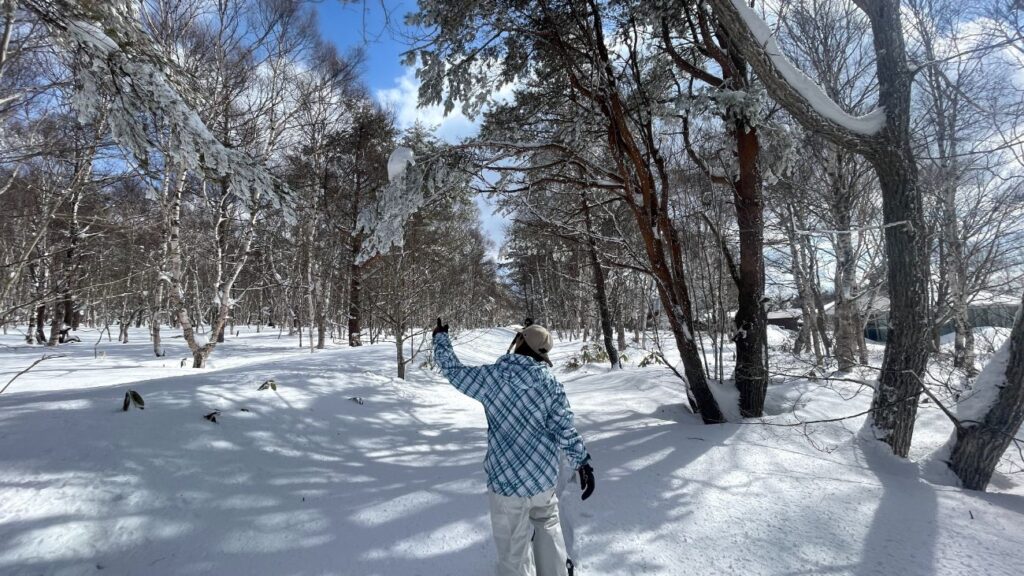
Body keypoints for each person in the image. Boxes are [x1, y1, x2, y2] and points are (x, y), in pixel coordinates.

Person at [432, 318, 595, 576]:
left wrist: (441, 338)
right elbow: (564, 428)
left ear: (519, 342)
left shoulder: (492, 378)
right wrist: (582, 462)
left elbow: (453, 371)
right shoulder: (549, 384)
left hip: (506, 483)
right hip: (541, 479)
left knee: (513, 550)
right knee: (547, 527)